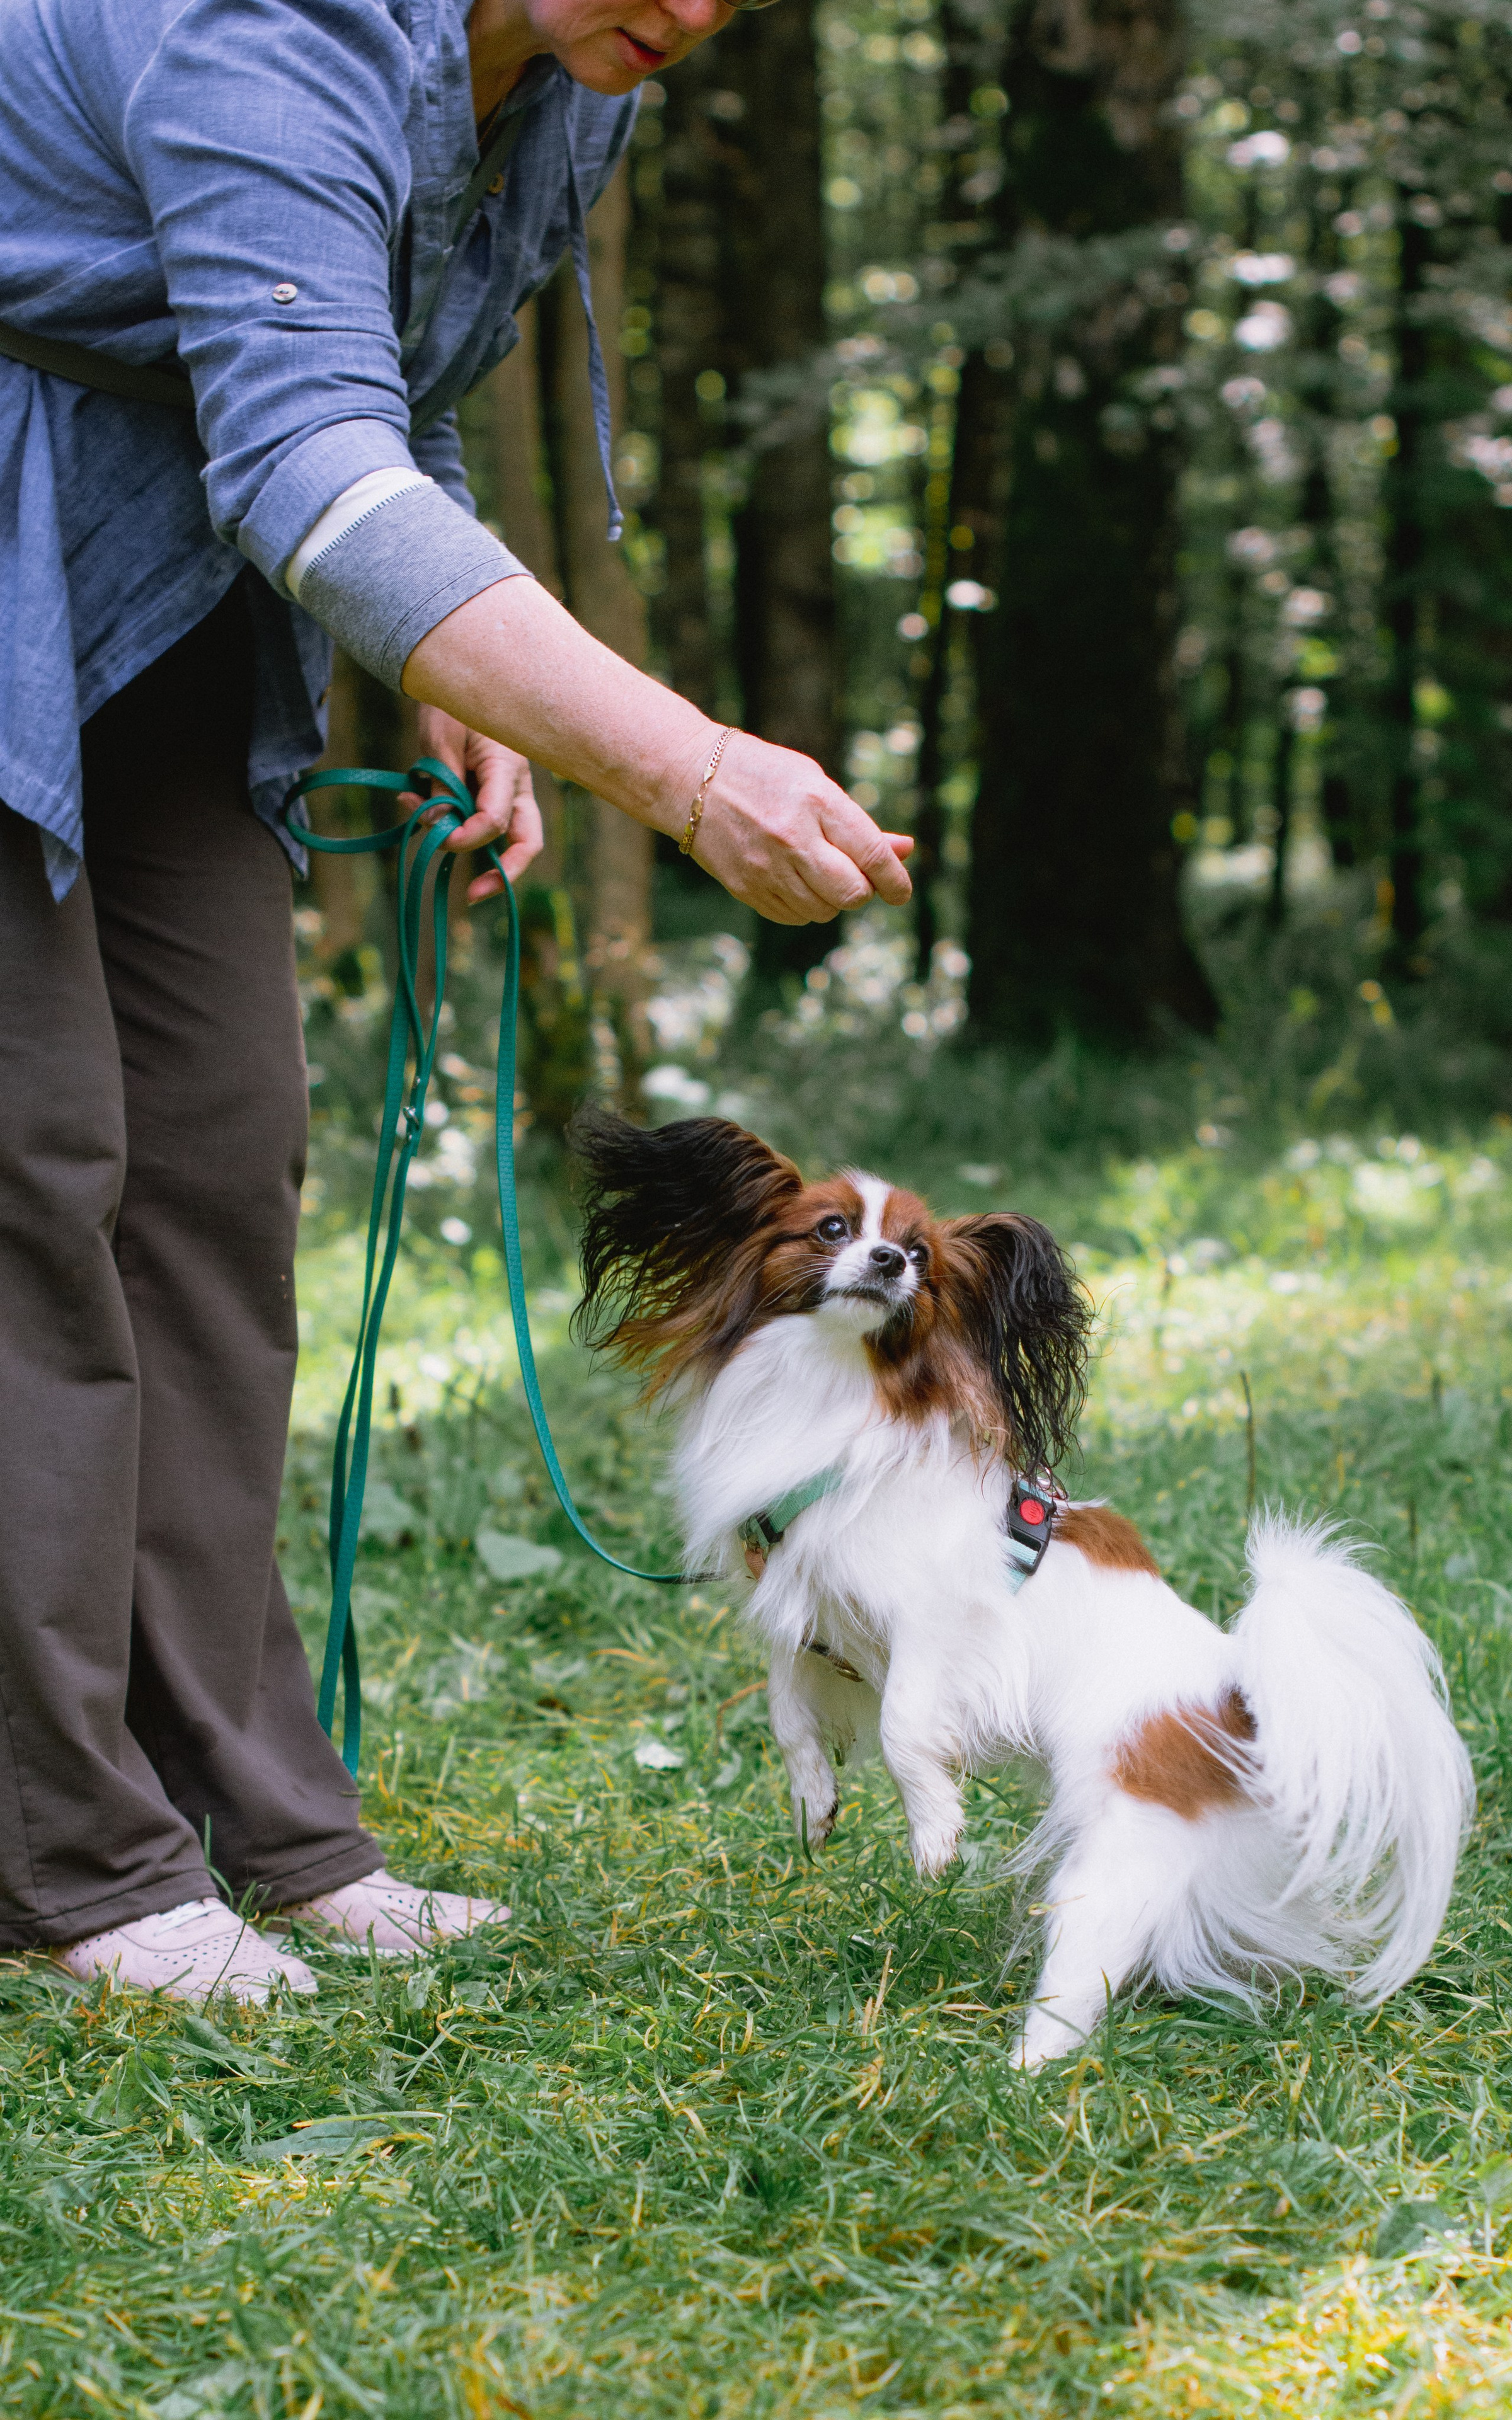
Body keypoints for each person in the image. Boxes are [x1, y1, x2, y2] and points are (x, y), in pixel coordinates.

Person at [0, 0, 913, 2002]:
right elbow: (306, 451)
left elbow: (379, 386)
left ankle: (260, 1822)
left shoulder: (573, 83)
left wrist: (446, 664)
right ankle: (75, 1861)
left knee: (224, 1159)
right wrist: (678, 763)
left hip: (161, 594)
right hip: (25, 521)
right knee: (34, 1169)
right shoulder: (272, 19)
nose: (680, 11)